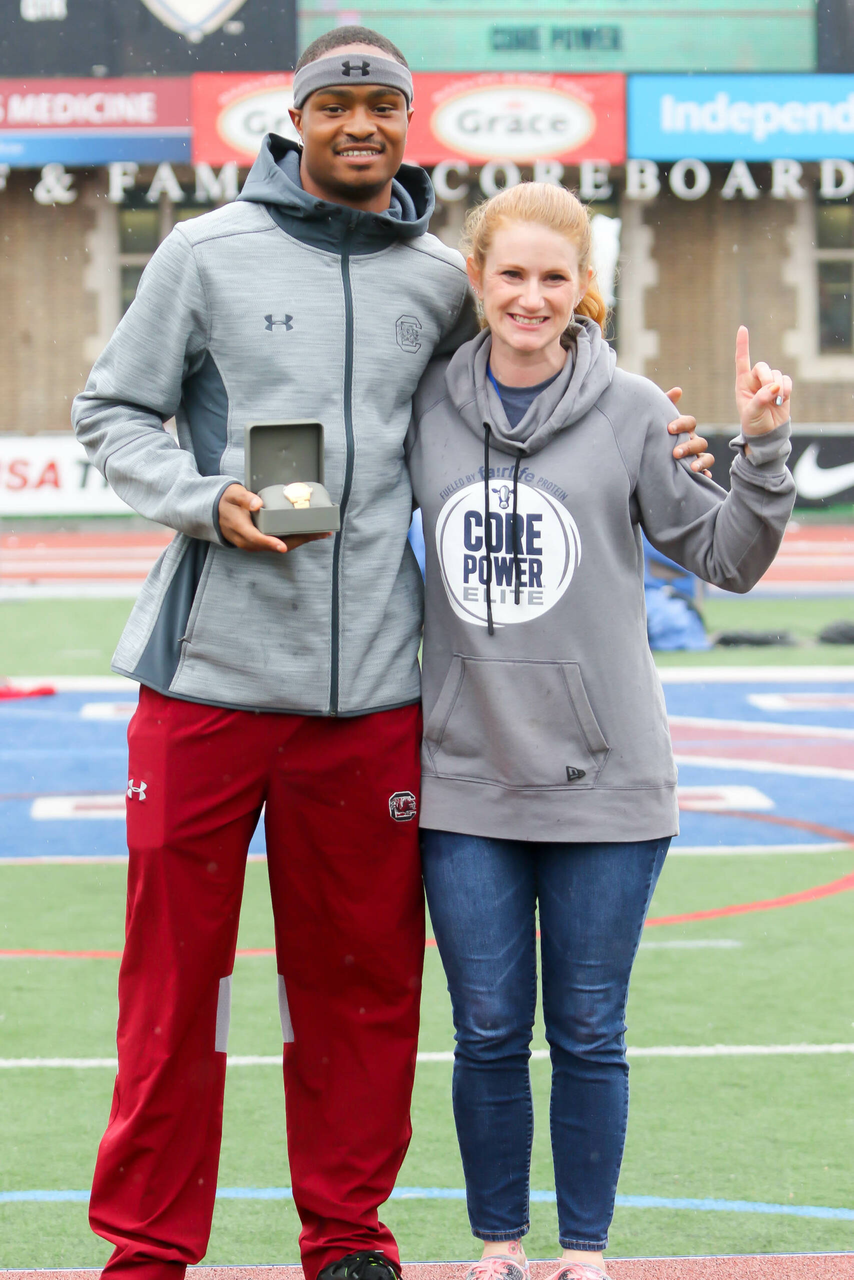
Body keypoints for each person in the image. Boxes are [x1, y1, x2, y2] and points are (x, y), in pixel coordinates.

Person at [71, 25, 714, 1278]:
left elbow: (531, 376)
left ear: (405, 125)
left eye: (383, 105)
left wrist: (662, 428)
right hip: (204, 680)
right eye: (337, 104)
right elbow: (112, 409)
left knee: (359, 988)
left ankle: (347, 1236)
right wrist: (205, 498)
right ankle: (148, 1245)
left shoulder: (435, 278)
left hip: (372, 693)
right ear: (294, 121)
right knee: (174, 988)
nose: (360, 123)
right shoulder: (203, 253)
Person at [406, 182, 795, 1280]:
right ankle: (498, 1244)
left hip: (607, 779)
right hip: (465, 775)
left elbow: (724, 558)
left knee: (585, 1030)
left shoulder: (630, 409)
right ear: (476, 282)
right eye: (511, 275)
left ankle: (584, 1250)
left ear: (586, 292)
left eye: (554, 277)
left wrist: (760, 450)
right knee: (485, 1028)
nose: (532, 297)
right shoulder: (420, 405)